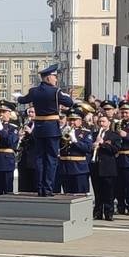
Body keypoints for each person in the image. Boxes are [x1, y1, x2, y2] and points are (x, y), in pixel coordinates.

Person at [15, 64, 75, 196]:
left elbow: (22, 99)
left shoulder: (34, 91)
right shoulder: (56, 92)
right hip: (52, 128)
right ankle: (48, 188)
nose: (56, 79)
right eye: (54, 77)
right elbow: (70, 103)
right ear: (48, 78)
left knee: (39, 159)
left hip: (39, 128)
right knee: (51, 159)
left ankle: (40, 188)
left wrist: (18, 97)